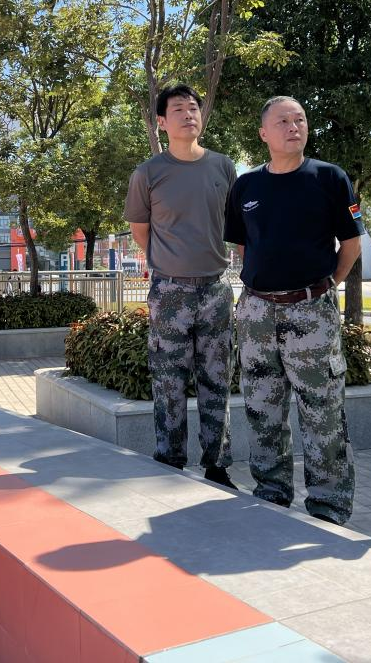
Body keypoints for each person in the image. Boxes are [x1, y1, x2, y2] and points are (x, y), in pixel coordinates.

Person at [224, 96, 361, 524]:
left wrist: (323, 287)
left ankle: (329, 507)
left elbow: (351, 244)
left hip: (311, 311)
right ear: (263, 133)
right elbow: (244, 246)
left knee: (322, 410)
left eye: (300, 119)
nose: (293, 126)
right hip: (256, 312)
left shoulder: (330, 178)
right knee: (261, 406)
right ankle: (270, 493)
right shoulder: (246, 187)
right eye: (282, 121)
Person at [124, 85, 238, 488]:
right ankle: (170, 460)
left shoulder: (223, 166)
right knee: (168, 380)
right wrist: (170, 262)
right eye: (179, 109)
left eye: (194, 107)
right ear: (161, 121)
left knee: (217, 379)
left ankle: (216, 463)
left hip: (216, 289)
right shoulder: (148, 173)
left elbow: (234, 225)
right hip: (169, 292)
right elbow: (141, 230)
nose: (189, 114)